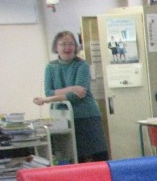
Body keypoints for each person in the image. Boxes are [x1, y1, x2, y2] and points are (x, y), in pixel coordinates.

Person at [33, 30, 109, 162]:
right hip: (61, 117)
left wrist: (47, 100)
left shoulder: (82, 65)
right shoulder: (50, 67)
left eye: (71, 44)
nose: (67, 48)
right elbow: (49, 91)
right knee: (69, 156)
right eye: (63, 44)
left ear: (75, 47)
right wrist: (72, 88)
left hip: (86, 116)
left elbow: (76, 95)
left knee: (94, 157)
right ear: (56, 47)